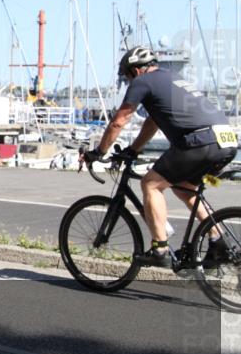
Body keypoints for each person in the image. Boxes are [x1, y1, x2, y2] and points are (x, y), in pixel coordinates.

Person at [82, 46, 237, 268]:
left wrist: (98, 152)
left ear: (135, 71)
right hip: (226, 140)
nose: (128, 82)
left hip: (201, 141)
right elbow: (153, 122)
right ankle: (218, 241)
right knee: (184, 188)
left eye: (127, 77)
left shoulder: (142, 82)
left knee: (151, 184)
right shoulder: (171, 78)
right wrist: (133, 149)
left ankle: (160, 249)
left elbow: (119, 121)